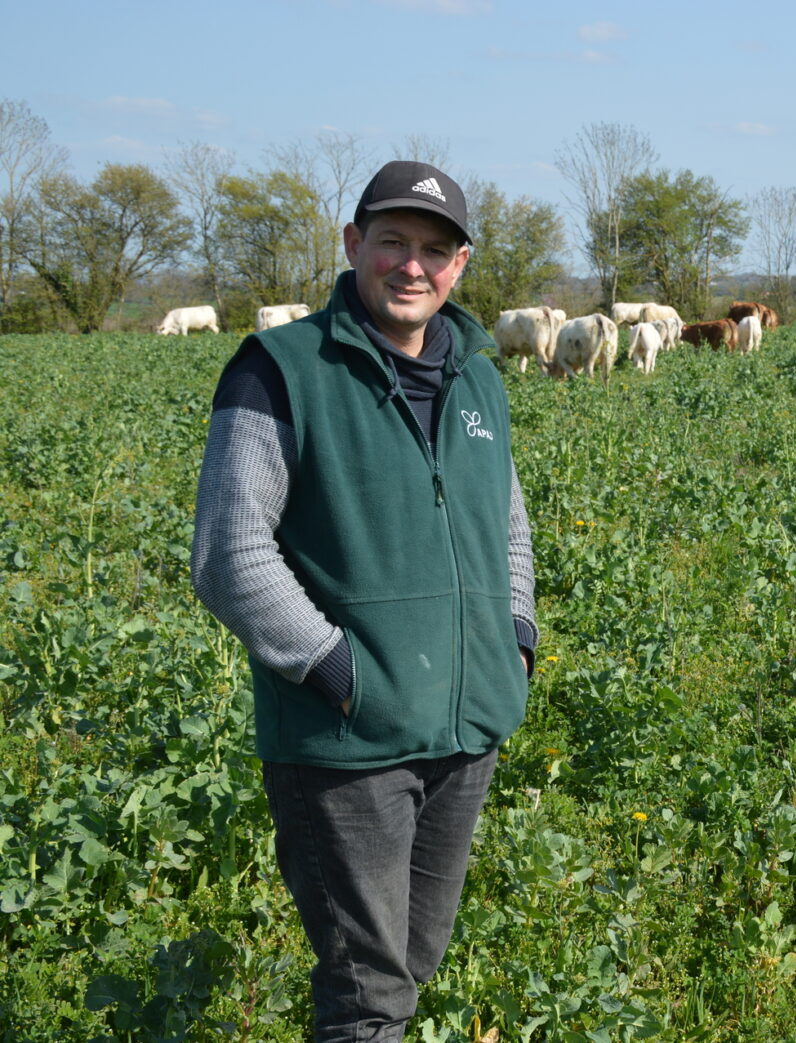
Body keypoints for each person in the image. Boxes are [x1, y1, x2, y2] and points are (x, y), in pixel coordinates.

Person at [192, 160, 537, 1042]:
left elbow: (509, 531)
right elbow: (231, 556)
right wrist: (343, 673)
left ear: (459, 265)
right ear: (354, 246)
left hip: (464, 734)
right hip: (345, 746)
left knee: (409, 965)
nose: (411, 266)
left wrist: (514, 645)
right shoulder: (280, 370)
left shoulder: (480, 379)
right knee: (368, 996)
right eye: (392, 242)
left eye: (434, 249)